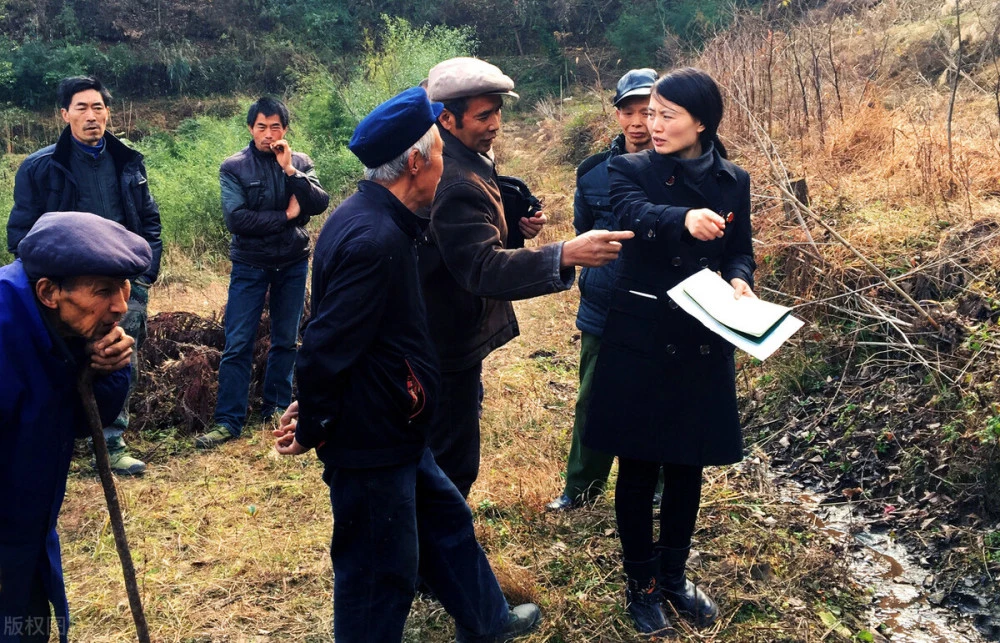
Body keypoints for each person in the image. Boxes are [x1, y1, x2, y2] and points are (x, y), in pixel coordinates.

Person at [273, 87, 541, 643]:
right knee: (378, 570)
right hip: (370, 435)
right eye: (441, 153)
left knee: (445, 522)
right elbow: (324, 345)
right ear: (417, 161)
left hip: (398, 420)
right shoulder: (374, 238)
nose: (448, 164)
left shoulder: (378, 217)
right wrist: (316, 423)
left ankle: (488, 622)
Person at [583, 68, 757, 635]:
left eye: (667, 115)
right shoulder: (628, 168)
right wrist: (682, 218)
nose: (652, 125)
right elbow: (635, 216)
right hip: (643, 334)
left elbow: (741, 250)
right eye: (650, 113)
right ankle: (642, 584)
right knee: (638, 464)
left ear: (701, 122)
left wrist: (740, 279)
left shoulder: (734, 179)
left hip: (704, 337)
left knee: (687, 463)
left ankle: (676, 575)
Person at [420, 57, 634, 498]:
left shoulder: (462, 155)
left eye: (498, 111)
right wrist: (564, 254)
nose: (496, 123)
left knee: (451, 450)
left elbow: (465, 243)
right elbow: (478, 267)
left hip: (450, 332)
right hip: (444, 338)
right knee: (451, 463)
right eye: (484, 115)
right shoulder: (454, 176)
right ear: (447, 118)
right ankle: (439, 557)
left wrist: (511, 228)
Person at [0, 211, 151, 643]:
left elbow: (86, 423)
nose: (121, 305)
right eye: (104, 291)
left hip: (27, 529)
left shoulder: (62, 327)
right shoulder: (5, 330)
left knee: (25, 628)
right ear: (49, 291)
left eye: (124, 287)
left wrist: (107, 369)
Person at [7, 76, 162, 476]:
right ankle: (57, 434)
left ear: (108, 112)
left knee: (116, 355)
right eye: (81, 108)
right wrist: (49, 290)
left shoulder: (128, 161)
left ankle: (110, 443)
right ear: (64, 115)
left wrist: (142, 279)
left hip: (121, 285)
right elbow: (21, 234)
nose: (91, 116)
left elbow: (148, 220)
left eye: (98, 107)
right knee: (59, 360)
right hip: (67, 295)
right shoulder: (41, 167)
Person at [546, 68, 659, 512]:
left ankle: (660, 486)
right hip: (605, 306)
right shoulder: (592, 172)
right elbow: (581, 232)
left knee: (660, 397)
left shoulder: (684, 168)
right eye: (629, 111)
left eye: (648, 112)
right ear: (617, 115)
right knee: (593, 397)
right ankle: (581, 488)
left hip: (664, 306)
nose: (638, 122)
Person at [195, 97, 330, 449]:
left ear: (285, 129)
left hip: (293, 261)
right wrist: (287, 216)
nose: (268, 135)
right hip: (250, 264)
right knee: (238, 342)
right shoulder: (234, 167)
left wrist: (289, 171)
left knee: (286, 339)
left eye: (275, 127)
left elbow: (318, 203)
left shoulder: (300, 162)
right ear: (250, 128)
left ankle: (276, 407)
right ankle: (228, 420)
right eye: (261, 127)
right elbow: (236, 220)